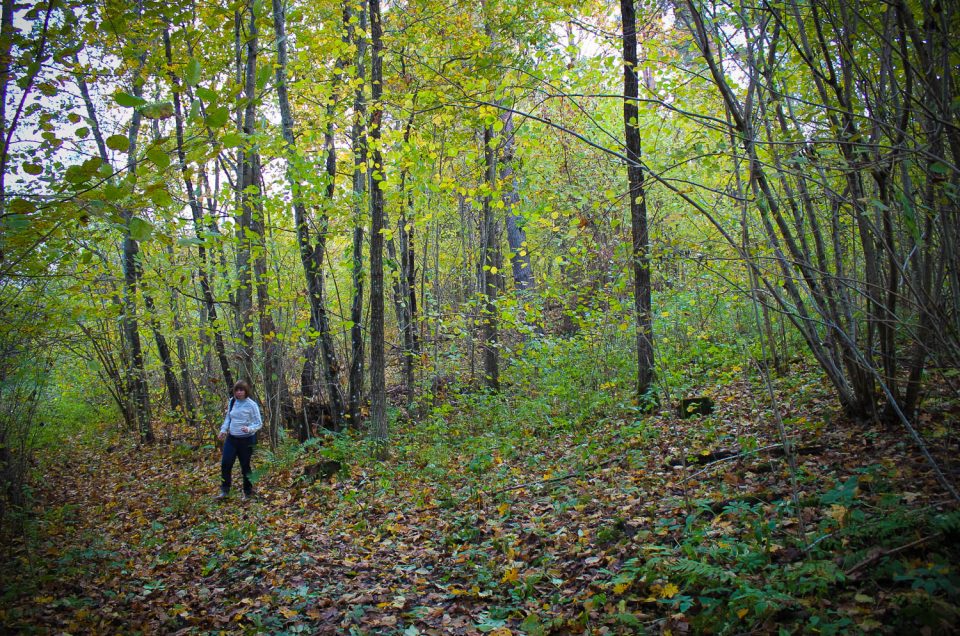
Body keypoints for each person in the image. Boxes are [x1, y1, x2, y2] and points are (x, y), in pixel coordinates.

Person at [216, 380, 262, 500]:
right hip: (231, 439)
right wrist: (223, 430)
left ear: (246, 391)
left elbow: (258, 423)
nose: (239, 392)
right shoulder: (232, 401)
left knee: (245, 466)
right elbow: (228, 418)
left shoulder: (252, 405)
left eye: (241, 390)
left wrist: (249, 429)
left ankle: (247, 492)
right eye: (237, 390)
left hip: (246, 441)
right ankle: (224, 491)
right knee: (226, 463)